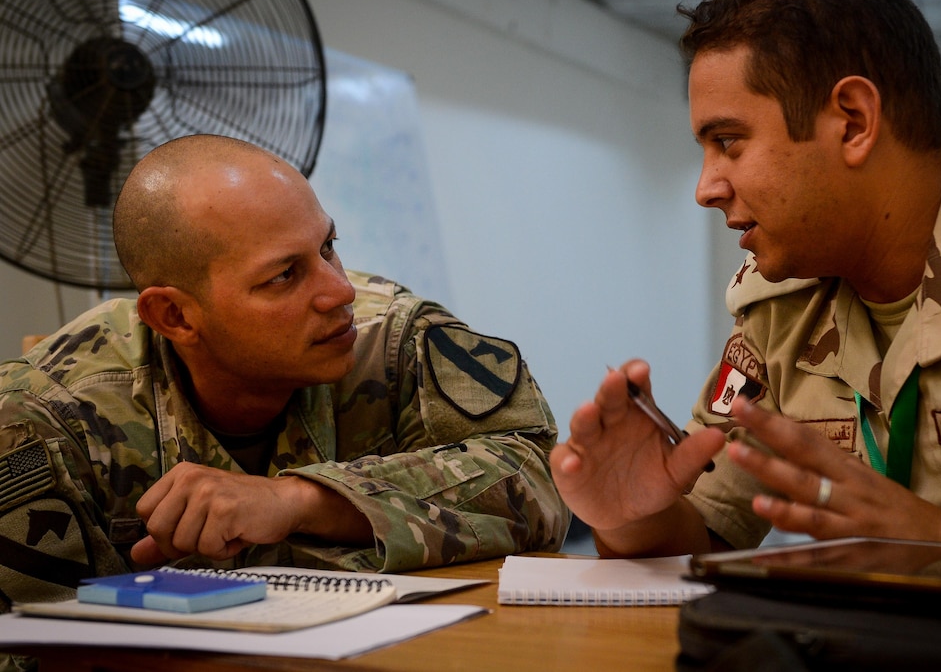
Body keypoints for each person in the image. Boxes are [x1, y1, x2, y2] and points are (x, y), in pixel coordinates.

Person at [552, 0, 941, 559]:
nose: (705, 188)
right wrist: (629, 516)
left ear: (854, 122)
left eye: (728, 141)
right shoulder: (780, 309)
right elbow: (703, 531)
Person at [0, 134, 570, 615]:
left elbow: (538, 478)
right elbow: (28, 640)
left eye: (329, 247)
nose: (340, 291)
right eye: (284, 275)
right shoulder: (44, 415)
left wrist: (301, 500)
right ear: (174, 314)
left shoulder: (395, 339)